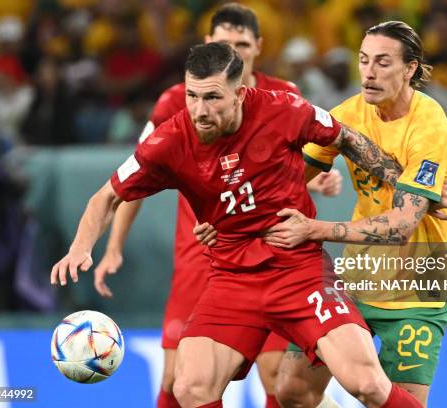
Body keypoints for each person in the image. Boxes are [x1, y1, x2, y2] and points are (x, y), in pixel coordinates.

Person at [51, 42, 430, 408]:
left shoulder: (285, 109)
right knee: (190, 385)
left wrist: (412, 187)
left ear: (240, 93)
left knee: (365, 382)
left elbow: (347, 138)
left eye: (213, 97)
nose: (200, 110)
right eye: (193, 96)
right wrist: (81, 246)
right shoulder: (168, 141)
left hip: (299, 271)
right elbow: (107, 196)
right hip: (233, 279)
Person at [91, 4, 340, 408]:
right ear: (208, 45)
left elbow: (302, 162)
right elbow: (129, 182)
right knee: (177, 379)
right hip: (200, 254)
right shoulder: (175, 101)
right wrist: (114, 245)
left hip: (272, 253)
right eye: (225, 43)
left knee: (276, 372)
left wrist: (321, 176)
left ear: (258, 46)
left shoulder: (283, 97)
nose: (234, 51)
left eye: (242, 44)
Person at [254, 21, 447, 407]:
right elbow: (285, 183)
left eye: (383, 62)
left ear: (410, 68)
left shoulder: (429, 121)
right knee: (291, 389)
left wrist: (314, 229)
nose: (369, 72)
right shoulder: (346, 115)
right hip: (355, 280)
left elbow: (402, 225)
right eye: (364, 60)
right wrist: (227, 216)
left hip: (416, 291)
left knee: (394, 401)